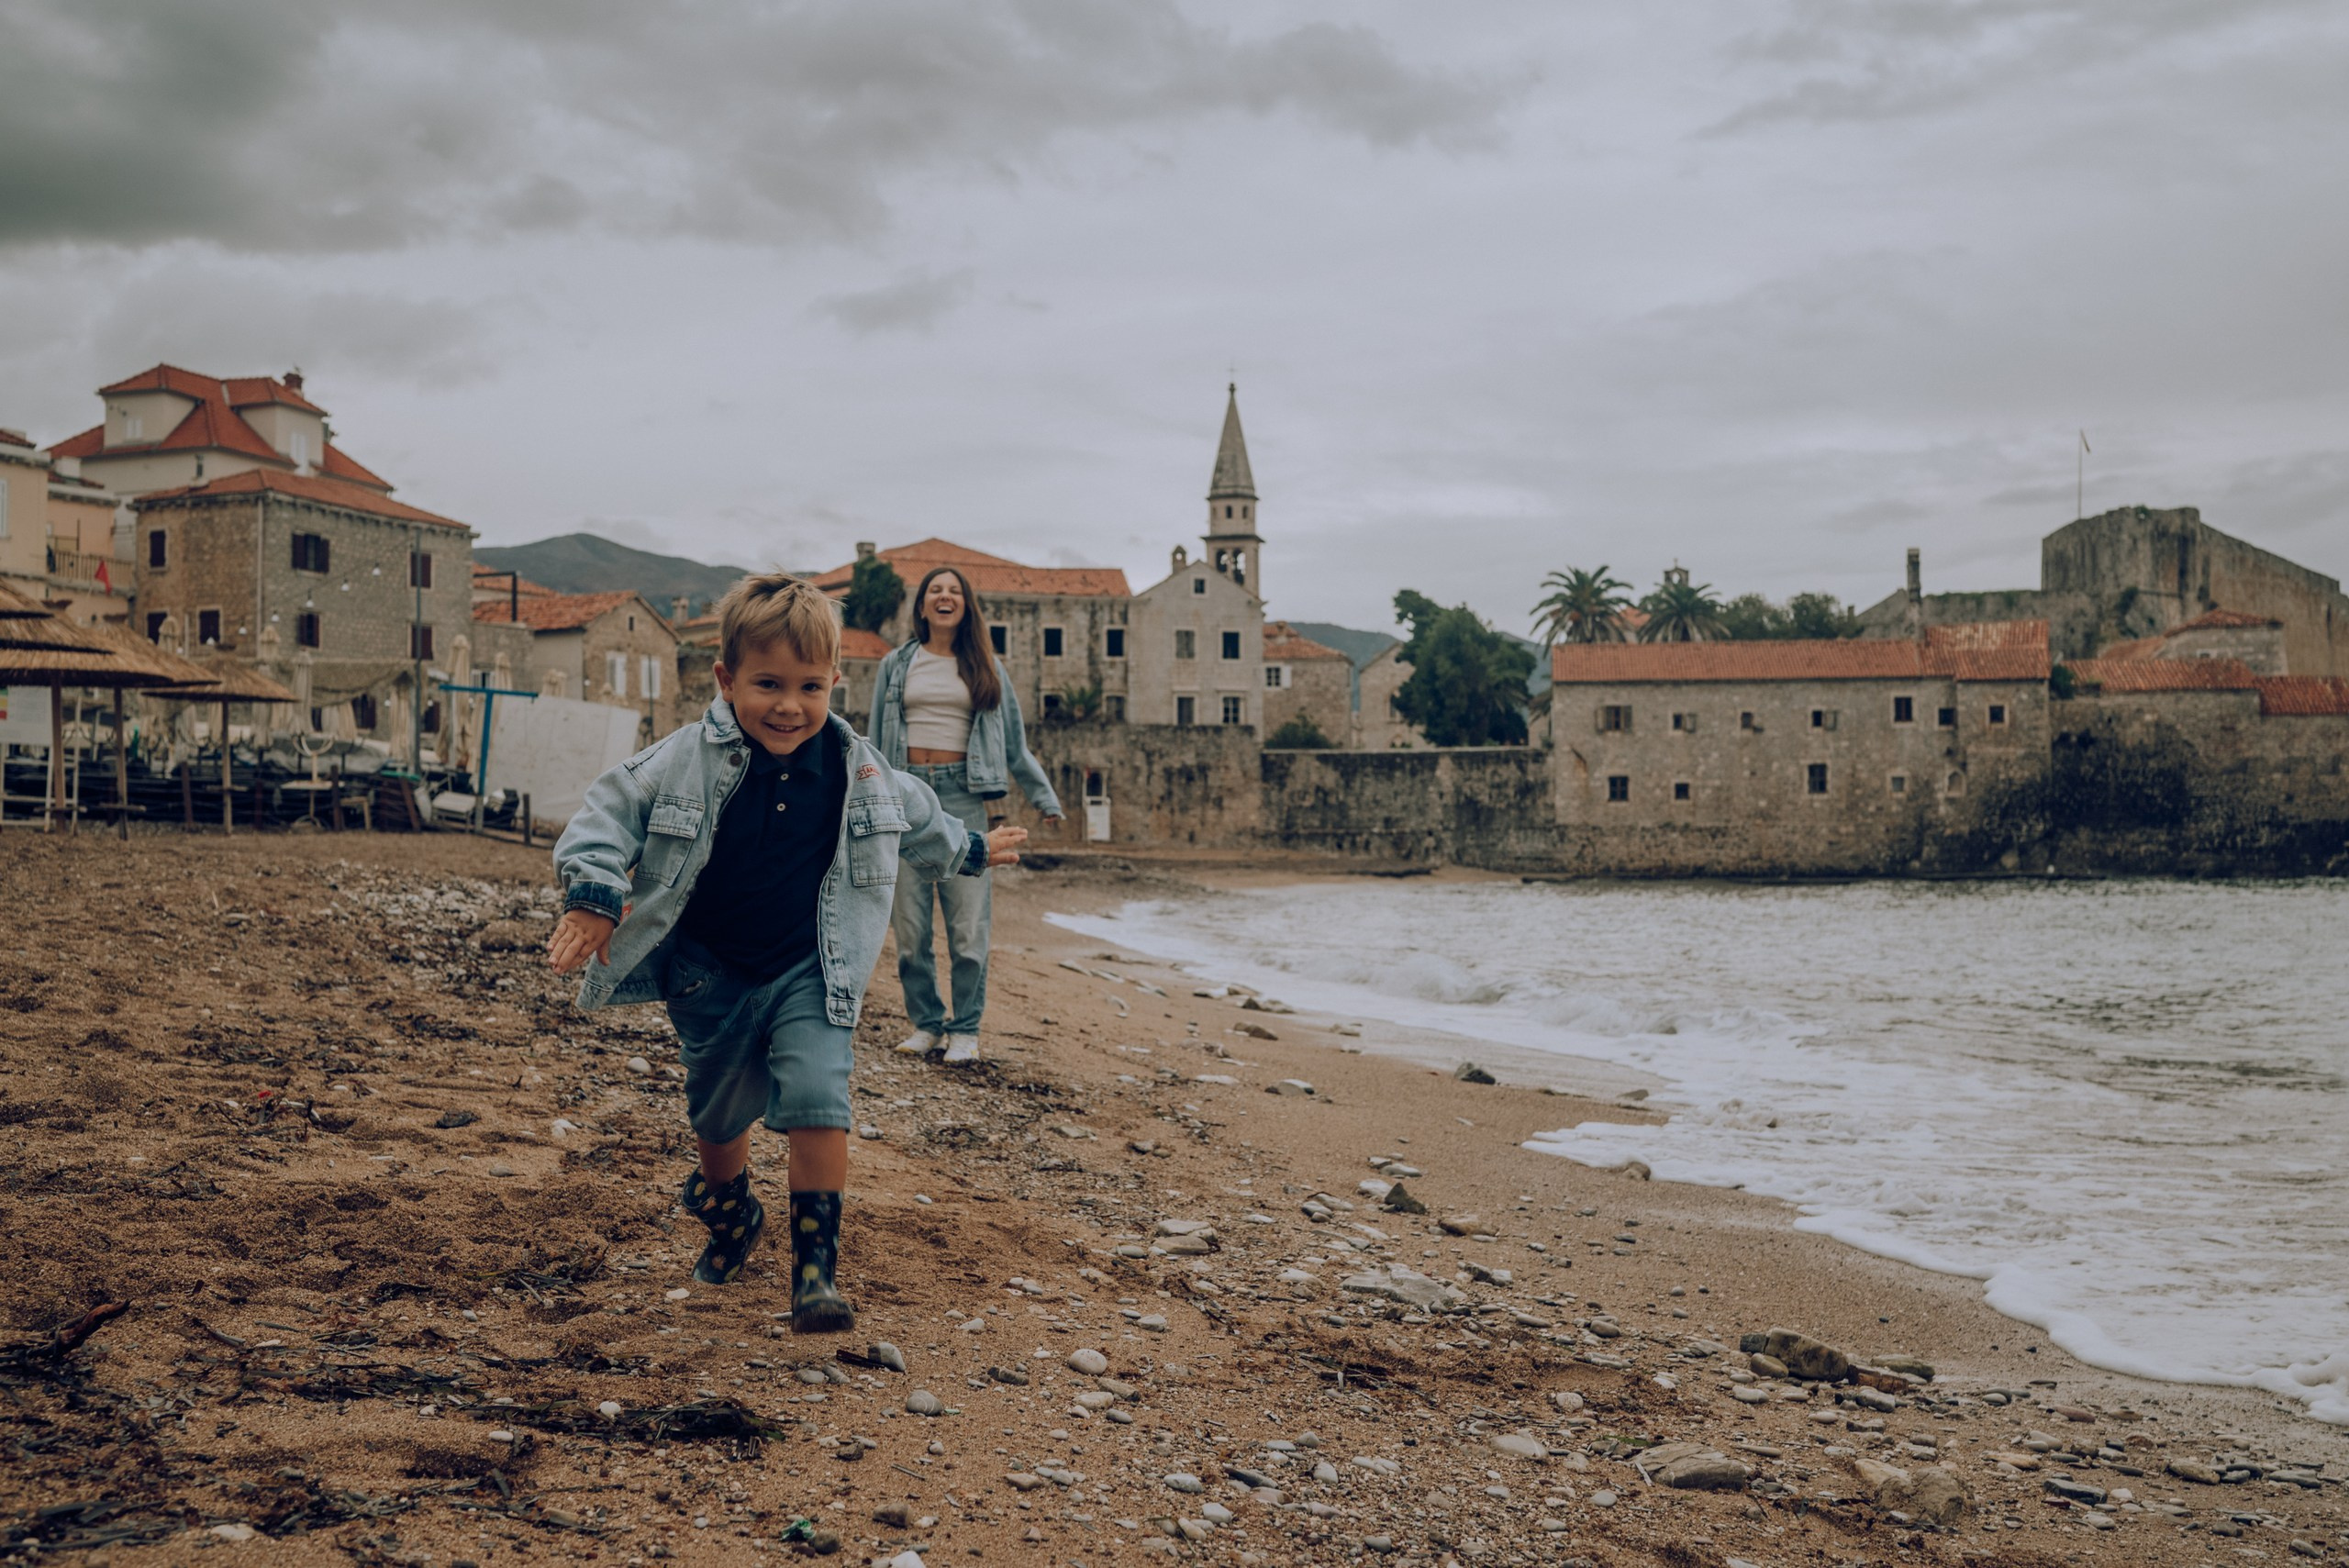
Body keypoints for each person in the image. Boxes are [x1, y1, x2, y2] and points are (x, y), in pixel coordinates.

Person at [546, 573, 1027, 1331]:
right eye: (767, 683)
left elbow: (917, 812)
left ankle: (815, 1275)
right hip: (708, 972)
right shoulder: (683, 757)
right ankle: (731, 1209)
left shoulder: (855, 765)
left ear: (836, 682)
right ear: (726, 678)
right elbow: (609, 809)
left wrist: (972, 848)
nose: (789, 705)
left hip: (813, 964)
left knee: (818, 1097)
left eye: (810, 686)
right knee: (718, 1119)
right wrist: (593, 896)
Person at [868, 566, 1063, 1065]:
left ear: (966, 605)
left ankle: (966, 1029)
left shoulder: (988, 669)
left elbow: (1015, 747)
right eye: (935, 589)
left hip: (964, 798)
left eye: (954, 590)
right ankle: (927, 1024)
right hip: (908, 796)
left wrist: (1046, 800)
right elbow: (872, 740)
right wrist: (870, 797)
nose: (944, 596)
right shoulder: (895, 663)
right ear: (923, 605)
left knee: (968, 929)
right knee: (910, 930)